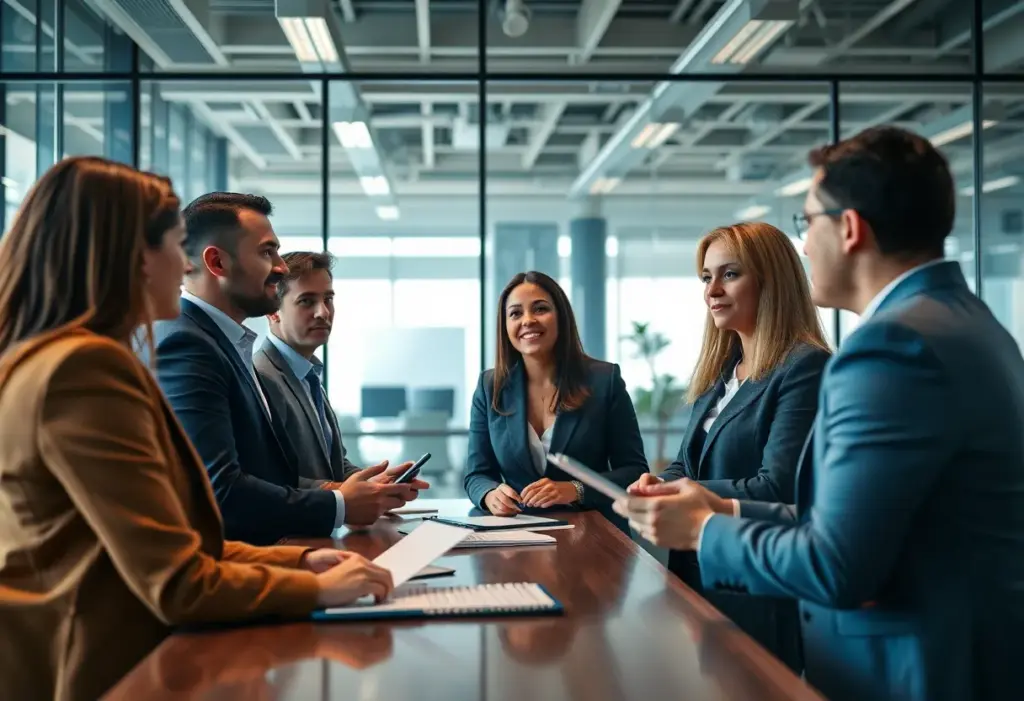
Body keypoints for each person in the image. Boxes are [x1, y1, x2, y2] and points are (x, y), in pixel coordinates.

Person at [617, 126, 1024, 701]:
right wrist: (721, 503)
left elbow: (836, 563)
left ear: (851, 229)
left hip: (916, 670)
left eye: (808, 224)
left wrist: (707, 530)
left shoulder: (891, 349)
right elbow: (856, 521)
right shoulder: (968, 322)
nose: (804, 246)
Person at [0, 157, 394, 701]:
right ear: (135, 258)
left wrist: (298, 557)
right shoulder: (83, 369)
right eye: (176, 244)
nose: (185, 265)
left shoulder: (57, 358)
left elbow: (175, 539)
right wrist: (315, 587)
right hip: (96, 670)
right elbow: (178, 580)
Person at [149, 193, 415, 545]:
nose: (281, 266)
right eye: (266, 252)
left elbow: (264, 472)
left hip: (269, 559)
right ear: (216, 262)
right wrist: (339, 504)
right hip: (234, 575)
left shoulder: (223, 342)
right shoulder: (187, 343)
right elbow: (219, 491)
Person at [629, 221, 830, 671]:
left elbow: (780, 486)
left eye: (730, 274)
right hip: (696, 574)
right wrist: (659, 484)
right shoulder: (721, 372)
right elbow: (686, 464)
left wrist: (688, 495)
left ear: (771, 280)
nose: (712, 291)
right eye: (706, 277)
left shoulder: (804, 366)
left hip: (754, 584)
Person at [465, 271, 649, 530]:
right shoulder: (490, 386)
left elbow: (634, 471)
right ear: (505, 326)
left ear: (561, 317)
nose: (528, 320)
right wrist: (490, 494)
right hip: (517, 534)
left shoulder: (604, 380)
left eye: (540, 309)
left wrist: (575, 490)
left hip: (595, 535)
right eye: (515, 313)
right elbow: (476, 474)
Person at [255, 250, 429, 496]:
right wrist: (345, 493)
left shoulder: (308, 374)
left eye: (328, 299)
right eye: (306, 301)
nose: (323, 312)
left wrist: (376, 483)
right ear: (273, 311)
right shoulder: (260, 377)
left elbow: (333, 467)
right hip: (286, 532)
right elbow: (266, 478)